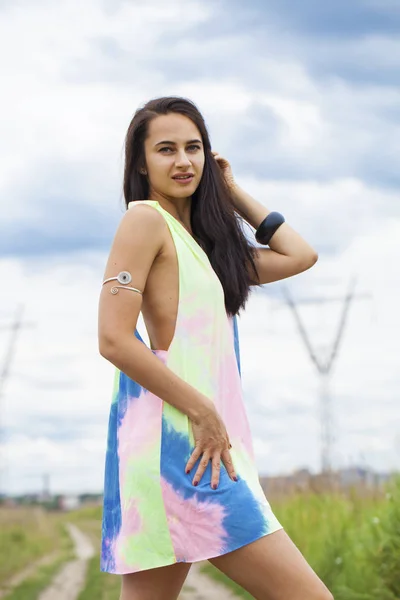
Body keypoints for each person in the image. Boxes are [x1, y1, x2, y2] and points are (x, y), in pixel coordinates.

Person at [98, 96, 333, 600]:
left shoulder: (205, 247)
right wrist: (202, 409)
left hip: (204, 445)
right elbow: (113, 339)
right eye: (166, 149)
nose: (183, 161)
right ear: (141, 162)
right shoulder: (144, 221)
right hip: (181, 447)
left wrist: (231, 191)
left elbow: (301, 254)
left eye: (194, 148)